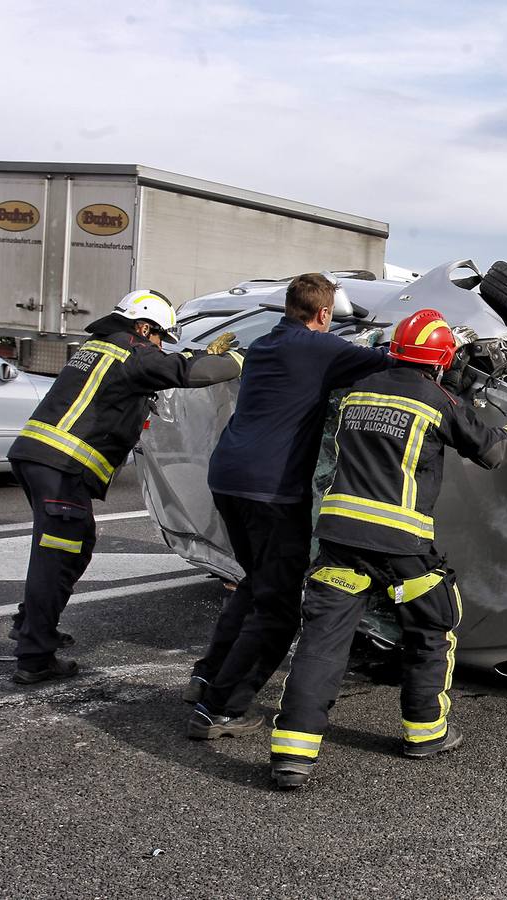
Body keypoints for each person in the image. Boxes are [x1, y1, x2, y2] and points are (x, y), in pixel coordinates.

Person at [267, 308, 507, 789]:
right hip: (401, 543)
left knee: (323, 643)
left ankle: (292, 756)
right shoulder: (435, 399)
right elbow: (491, 450)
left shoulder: (357, 391)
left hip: (340, 538)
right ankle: (424, 734)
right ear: (442, 361)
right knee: (431, 623)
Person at [185, 273, 393, 739]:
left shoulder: (263, 346)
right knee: (278, 609)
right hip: (273, 490)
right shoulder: (321, 350)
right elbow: (389, 359)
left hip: (229, 478)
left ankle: (205, 677)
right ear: (324, 314)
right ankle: (220, 709)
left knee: (255, 584)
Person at [6, 290, 242, 684]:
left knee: (73, 546)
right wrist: (237, 359)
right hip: (64, 465)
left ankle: (31, 625)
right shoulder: (130, 348)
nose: (160, 346)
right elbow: (187, 373)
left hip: (41, 458)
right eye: (160, 338)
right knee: (57, 557)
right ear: (143, 326)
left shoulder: (99, 346)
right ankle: (34, 656)